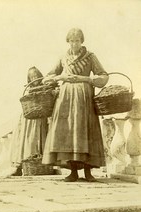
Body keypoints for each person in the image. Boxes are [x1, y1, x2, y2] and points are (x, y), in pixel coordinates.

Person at [42, 28, 109, 182]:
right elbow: (47, 78)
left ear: (82, 41)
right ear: (68, 42)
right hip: (65, 99)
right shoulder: (63, 58)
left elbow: (104, 76)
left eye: (77, 40)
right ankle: (73, 172)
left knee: (86, 130)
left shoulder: (90, 57)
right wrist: (62, 76)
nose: (74, 44)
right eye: (71, 41)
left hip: (84, 98)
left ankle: (88, 172)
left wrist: (86, 79)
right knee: (68, 131)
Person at [5, 67, 48, 176]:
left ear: (39, 76)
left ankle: (42, 165)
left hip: (40, 117)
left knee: (37, 140)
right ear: (29, 79)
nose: (34, 78)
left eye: (36, 76)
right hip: (28, 118)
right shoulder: (29, 89)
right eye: (31, 77)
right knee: (24, 140)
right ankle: (20, 166)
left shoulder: (45, 87)